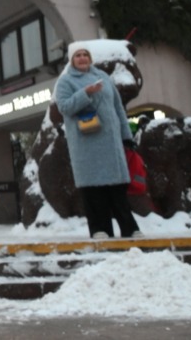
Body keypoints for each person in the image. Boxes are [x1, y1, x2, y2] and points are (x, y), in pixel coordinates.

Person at [53, 43, 140, 239]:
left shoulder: (105, 79)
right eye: (78, 56)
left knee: (117, 191)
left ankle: (130, 228)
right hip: (86, 146)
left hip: (111, 145)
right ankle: (100, 229)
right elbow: (64, 107)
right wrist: (86, 93)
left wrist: (126, 136)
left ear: (90, 58)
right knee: (94, 192)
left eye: (85, 55)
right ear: (72, 60)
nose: (82, 58)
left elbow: (119, 109)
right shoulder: (66, 81)